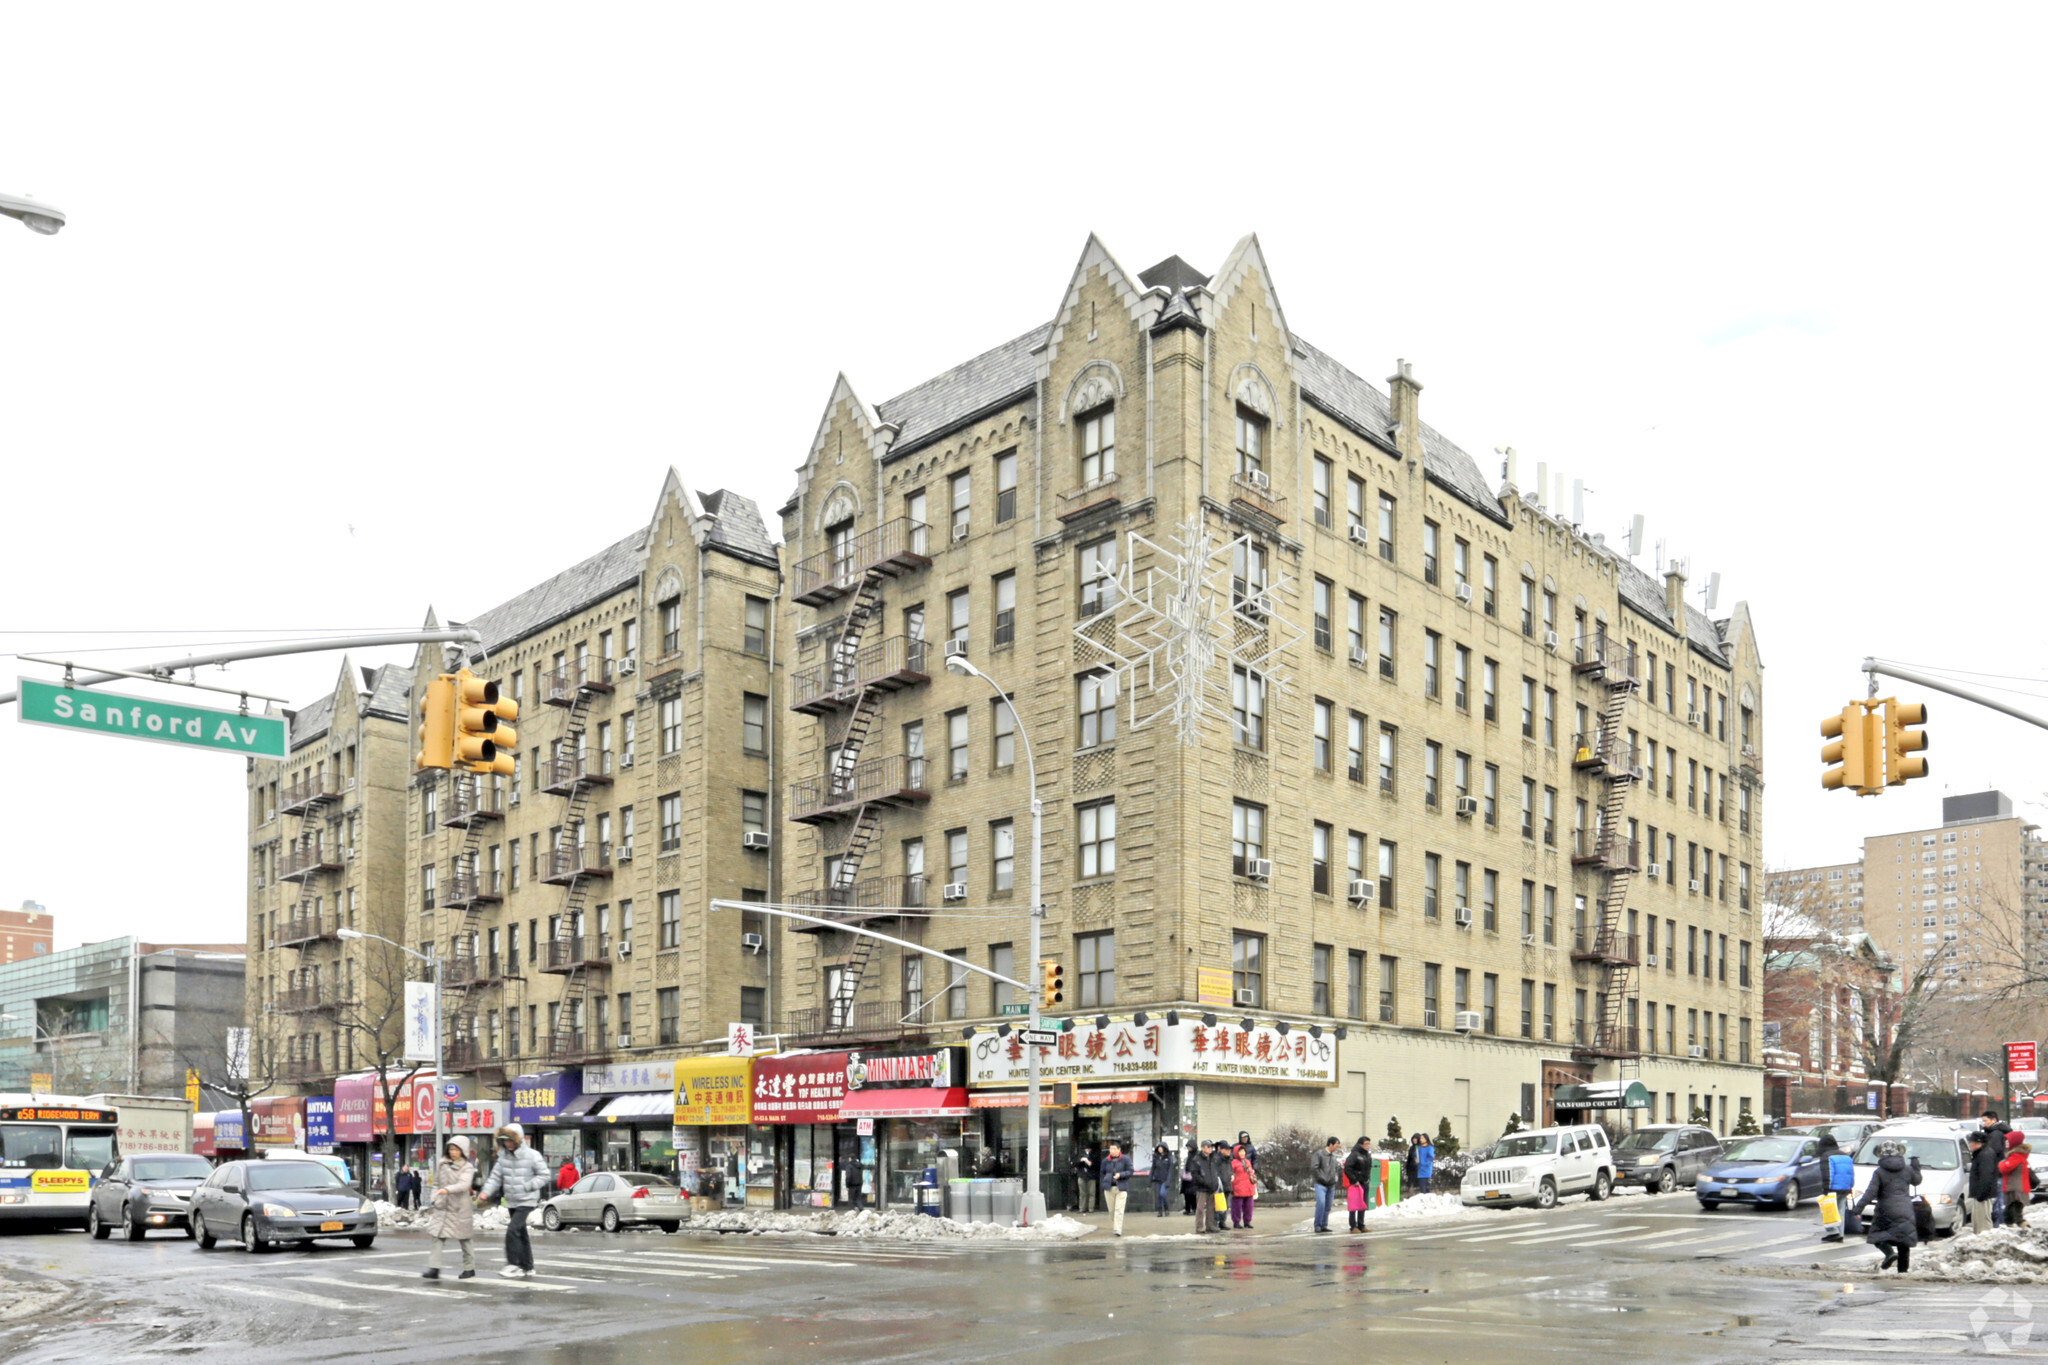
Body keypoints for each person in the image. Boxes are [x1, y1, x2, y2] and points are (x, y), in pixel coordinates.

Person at [479, 1123, 550, 1278]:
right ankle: (528, 1266)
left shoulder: (532, 1155)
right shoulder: (503, 1158)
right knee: (521, 1232)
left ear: (517, 1140)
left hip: (527, 1199)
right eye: (505, 1141)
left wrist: (529, 1186)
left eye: (510, 1140)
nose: (508, 1144)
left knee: (513, 1230)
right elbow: (495, 1178)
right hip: (512, 1200)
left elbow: (544, 1175)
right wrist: (485, 1193)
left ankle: (514, 1264)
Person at [1853, 1139, 1922, 1273]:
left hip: (1886, 1209)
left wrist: (1858, 1208)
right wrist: (1916, 1166)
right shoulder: (1907, 1169)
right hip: (1906, 1209)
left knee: (1877, 1236)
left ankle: (1889, 1253)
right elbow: (1917, 1181)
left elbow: (1871, 1192)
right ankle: (1902, 1272)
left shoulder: (1879, 1172)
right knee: (1904, 1242)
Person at [423, 1137, 478, 1280]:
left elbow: (464, 1185)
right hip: (443, 1207)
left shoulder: (467, 1167)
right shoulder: (442, 1164)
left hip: (460, 1208)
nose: (453, 1152)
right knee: (437, 1237)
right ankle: (434, 1268)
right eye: (451, 1149)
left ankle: (469, 1268)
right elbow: (436, 1182)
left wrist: (446, 1189)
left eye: (456, 1149)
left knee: (465, 1239)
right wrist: (434, 1196)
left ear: (463, 1151)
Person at [1819, 1134, 1858, 1241]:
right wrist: (1850, 1187)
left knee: (1828, 1210)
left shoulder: (1826, 1156)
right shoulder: (1846, 1156)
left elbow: (1827, 1173)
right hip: (1845, 1188)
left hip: (1833, 1188)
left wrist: (1826, 1189)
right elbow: (1851, 1173)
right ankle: (1840, 1233)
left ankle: (1833, 1232)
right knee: (1840, 1211)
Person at [1966, 1130, 2002, 1235]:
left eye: (1971, 1142)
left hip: (1983, 1195)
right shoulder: (1981, 1153)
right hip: (1980, 1194)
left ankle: (1985, 1243)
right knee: (1978, 1220)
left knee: (1983, 1223)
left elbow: (1986, 1176)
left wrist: (1981, 1195)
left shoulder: (1985, 1155)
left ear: (1978, 1143)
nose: (1969, 1144)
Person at [1982, 1111, 2014, 1224]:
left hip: (1997, 1171)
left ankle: (1999, 1225)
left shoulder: (1995, 1134)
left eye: (1985, 1120)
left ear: (1994, 1120)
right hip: (2000, 1171)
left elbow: (1992, 1153)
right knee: (1999, 1200)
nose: (1983, 1123)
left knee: (1998, 1201)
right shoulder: (1998, 1132)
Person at [1999, 1130, 2032, 1226]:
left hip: (2016, 1189)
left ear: (2014, 1142)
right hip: (2015, 1187)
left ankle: (2027, 1230)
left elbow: (2004, 1168)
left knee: (2016, 1214)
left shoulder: (2016, 1156)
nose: (2006, 1142)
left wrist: (2001, 1163)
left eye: (2008, 1140)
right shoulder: (2016, 1155)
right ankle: (2010, 1230)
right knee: (2009, 1214)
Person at [1312, 1137, 1344, 1233]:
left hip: (1331, 1184)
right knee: (1321, 1203)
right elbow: (1314, 1168)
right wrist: (1321, 1178)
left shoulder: (1333, 1156)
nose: (1336, 1148)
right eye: (1336, 1146)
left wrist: (1334, 1179)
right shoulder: (1319, 1154)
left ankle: (1324, 1225)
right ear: (1330, 1144)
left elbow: (1335, 1169)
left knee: (1328, 1205)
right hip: (1321, 1183)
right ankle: (1317, 1225)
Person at [1101, 1142, 1133, 1237]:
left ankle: (1117, 1229)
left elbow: (1130, 1171)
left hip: (1121, 1188)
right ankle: (1116, 1225)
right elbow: (1102, 1173)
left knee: (1119, 1210)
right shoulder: (1106, 1161)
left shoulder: (1125, 1159)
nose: (1112, 1151)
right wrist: (1105, 1181)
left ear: (1119, 1150)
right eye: (1111, 1149)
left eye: (1114, 1149)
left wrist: (1121, 1175)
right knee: (1111, 1211)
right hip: (1109, 1188)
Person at [1343, 1137, 1374, 1233]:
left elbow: (1368, 1168)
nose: (1368, 1146)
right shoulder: (1354, 1154)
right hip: (1356, 1183)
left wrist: (1368, 1178)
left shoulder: (1367, 1155)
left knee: (1362, 1204)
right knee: (1354, 1204)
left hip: (1364, 1182)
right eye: (1366, 1144)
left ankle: (1361, 1225)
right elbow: (1348, 1168)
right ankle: (1353, 1226)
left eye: (1369, 1144)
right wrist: (1354, 1179)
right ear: (1361, 1144)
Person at [1188, 1139, 1219, 1234]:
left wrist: (1215, 1183)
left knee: (1211, 1208)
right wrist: (1204, 1182)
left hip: (1212, 1187)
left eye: (1211, 1147)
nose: (1210, 1149)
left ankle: (1210, 1225)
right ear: (1203, 1148)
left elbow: (1215, 1172)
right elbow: (1195, 1174)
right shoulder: (1197, 1159)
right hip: (1201, 1187)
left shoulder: (1212, 1158)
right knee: (1200, 1208)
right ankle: (1199, 1227)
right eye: (1208, 1147)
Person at [1228, 1143, 1257, 1229]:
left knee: (1249, 1206)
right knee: (1237, 1206)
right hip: (1238, 1187)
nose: (1242, 1153)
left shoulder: (1247, 1161)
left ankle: (1247, 1222)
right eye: (1240, 1152)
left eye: (1243, 1151)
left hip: (1248, 1187)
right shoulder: (1233, 1163)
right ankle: (1236, 1222)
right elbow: (1231, 1174)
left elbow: (1251, 1171)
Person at [1151, 1142, 1175, 1218]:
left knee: (1163, 1194)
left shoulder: (1169, 1157)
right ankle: (1160, 1211)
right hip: (1157, 1179)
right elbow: (1153, 1168)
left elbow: (1170, 1170)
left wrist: (1168, 1180)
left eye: (1161, 1148)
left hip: (1165, 1180)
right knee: (1158, 1196)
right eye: (1159, 1148)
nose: (1160, 1149)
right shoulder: (1156, 1157)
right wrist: (1150, 1178)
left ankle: (1166, 1208)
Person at [1415, 1132, 1435, 1197]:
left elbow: (1431, 1157)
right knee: (1423, 1185)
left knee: (1423, 1185)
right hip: (1420, 1169)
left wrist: (1424, 1163)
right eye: (1420, 1138)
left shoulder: (1430, 1148)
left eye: (1422, 1138)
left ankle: (1425, 1197)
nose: (1421, 1139)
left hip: (1426, 1168)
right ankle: (1429, 1196)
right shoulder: (1419, 1147)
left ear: (1426, 1139)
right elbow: (1416, 1156)